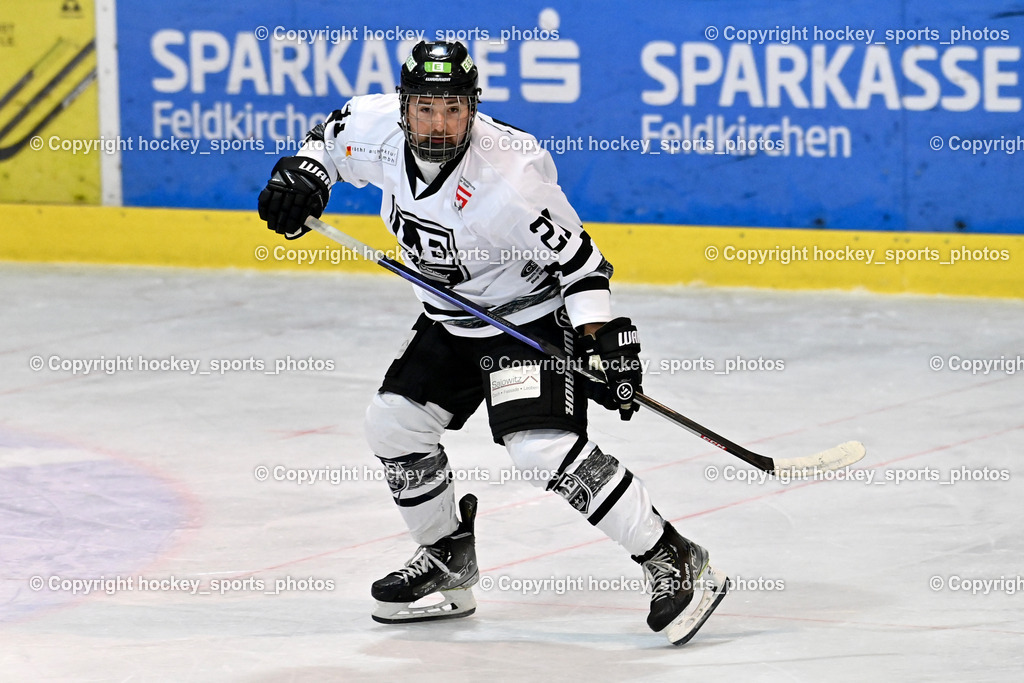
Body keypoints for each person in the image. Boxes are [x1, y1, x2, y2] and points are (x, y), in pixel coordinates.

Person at [258, 40, 727, 645]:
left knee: (540, 449)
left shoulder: (511, 177)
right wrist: (302, 179)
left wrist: (600, 343)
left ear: (472, 108)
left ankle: (673, 556)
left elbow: (584, 266)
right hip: (450, 317)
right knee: (393, 425)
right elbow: (322, 143)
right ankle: (446, 559)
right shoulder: (372, 127)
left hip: (526, 323)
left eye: (453, 109)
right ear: (404, 107)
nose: (439, 124)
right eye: (425, 108)